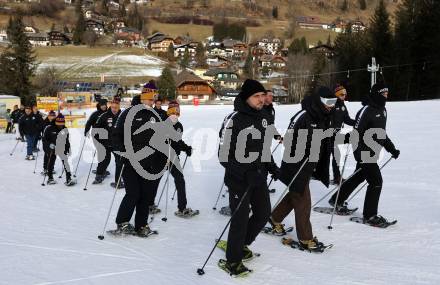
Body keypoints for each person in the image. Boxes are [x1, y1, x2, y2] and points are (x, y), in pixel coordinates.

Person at [217, 79, 279, 276]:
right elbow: (223, 155)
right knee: (240, 219)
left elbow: (264, 149)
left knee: (263, 214)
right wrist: (245, 172)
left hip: (259, 177)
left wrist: (272, 167)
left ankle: (241, 244)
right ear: (246, 98)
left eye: (263, 95)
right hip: (238, 179)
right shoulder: (233, 119)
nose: (262, 100)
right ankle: (232, 260)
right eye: (256, 96)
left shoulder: (264, 117)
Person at [269, 86, 335, 252]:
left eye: (333, 102)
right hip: (295, 164)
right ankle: (306, 238)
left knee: (295, 196)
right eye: (328, 102)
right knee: (303, 201)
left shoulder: (322, 115)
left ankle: (274, 218)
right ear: (319, 100)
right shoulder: (304, 115)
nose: (331, 105)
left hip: (307, 165)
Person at [329, 82, 400, 226]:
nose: (386, 96)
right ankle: (370, 215)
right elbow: (356, 133)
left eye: (387, 93)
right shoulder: (366, 110)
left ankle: (336, 200)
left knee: (358, 177)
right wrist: (358, 152)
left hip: (373, 151)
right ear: (377, 94)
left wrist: (391, 148)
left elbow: (381, 133)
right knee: (376, 181)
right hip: (362, 151)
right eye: (383, 94)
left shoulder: (383, 110)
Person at [111, 92, 164, 237]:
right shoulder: (127, 114)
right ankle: (122, 222)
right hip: (130, 162)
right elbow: (116, 136)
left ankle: (141, 225)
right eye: (150, 100)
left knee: (146, 196)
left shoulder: (153, 115)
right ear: (142, 100)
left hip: (148, 163)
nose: (152, 102)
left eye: (153, 100)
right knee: (133, 194)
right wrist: (121, 154)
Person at [164, 101, 196, 217]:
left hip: (173, 158)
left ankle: (182, 208)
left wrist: (186, 148)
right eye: (172, 112)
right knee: (153, 182)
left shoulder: (179, 126)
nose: (175, 115)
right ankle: (149, 204)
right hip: (161, 157)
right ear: (168, 112)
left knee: (180, 180)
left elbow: (178, 141)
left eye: (177, 112)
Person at [92, 98, 123, 186]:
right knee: (104, 160)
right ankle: (99, 176)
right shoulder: (104, 115)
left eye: (116, 107)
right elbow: (96, 129)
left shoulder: (122, 116)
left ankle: (118, 181)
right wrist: (99, 141)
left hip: (117, 144)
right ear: (110, 106)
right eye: (113, 107)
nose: (114, 109)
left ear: (119, 107)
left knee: (119, 162)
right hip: (105, 143)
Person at [329, 84, 356, 184]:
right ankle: (311, 173)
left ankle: (337, 177)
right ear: (336, 95)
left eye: (345, 94)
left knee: (337, 155)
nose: (344, 96)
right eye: (341, 94)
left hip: (336, 134)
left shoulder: (343, 106)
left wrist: (357, 122)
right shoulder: (330, 104)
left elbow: (347, 119)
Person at [42, 114, 75, 186]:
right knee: (51, 162)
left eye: (62, 124)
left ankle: (68, 178)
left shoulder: (64, 129)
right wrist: (49, 145)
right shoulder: (49, 128)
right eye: (59, 124)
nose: (60, 125)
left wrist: (68, 148)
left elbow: (66, 140)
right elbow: (44, 139)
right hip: (52, 148)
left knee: (65, 162)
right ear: (56, 122)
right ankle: (50, 177)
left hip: (61, 147)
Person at [41, 110, 57, 175]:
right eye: (51, 116)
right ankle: (45, 169)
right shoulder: (45, 122)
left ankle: (51, 168)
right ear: (48, 116)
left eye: (53, 116)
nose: (52, 117)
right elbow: (42, 131)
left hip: (54, 141)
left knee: (53, 155)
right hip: (46, 141)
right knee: (47, 155)